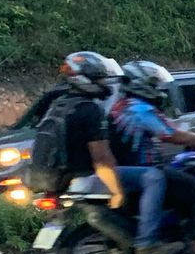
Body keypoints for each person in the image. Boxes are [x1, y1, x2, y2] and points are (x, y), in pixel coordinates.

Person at [109, 60, 195, 254]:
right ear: (140, 84)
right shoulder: (140, 109)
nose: (158, 89)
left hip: (126, 172)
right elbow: (175, 136)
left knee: (180, 178)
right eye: (153, 83)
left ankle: (176, 236)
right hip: (142, 173)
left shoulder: (120, 106)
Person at [33, 51, 128, 210]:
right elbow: (102, 159)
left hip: (55, 180)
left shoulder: (56, 105)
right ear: (86, 78)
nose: (104, 82)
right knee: (152, 177)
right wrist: (117, 192)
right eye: (99, 78)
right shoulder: (90, 109)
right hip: (84, 178)